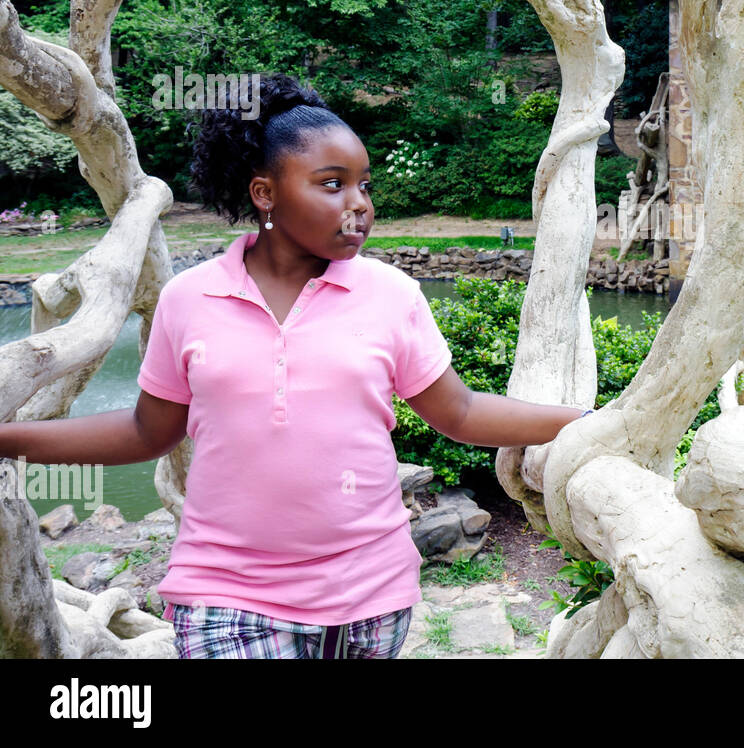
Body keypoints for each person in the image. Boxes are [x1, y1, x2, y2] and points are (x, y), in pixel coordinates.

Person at [0, 72, 590, 659]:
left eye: (364, 184)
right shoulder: (189, 299)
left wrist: (590, 420)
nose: (359, 204)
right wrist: (8, 438)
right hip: (224, 593)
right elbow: (145, 431)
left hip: (369, 596)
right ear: (265, 194)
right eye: (332, 184)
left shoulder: (392, 295)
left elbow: (459, 412)